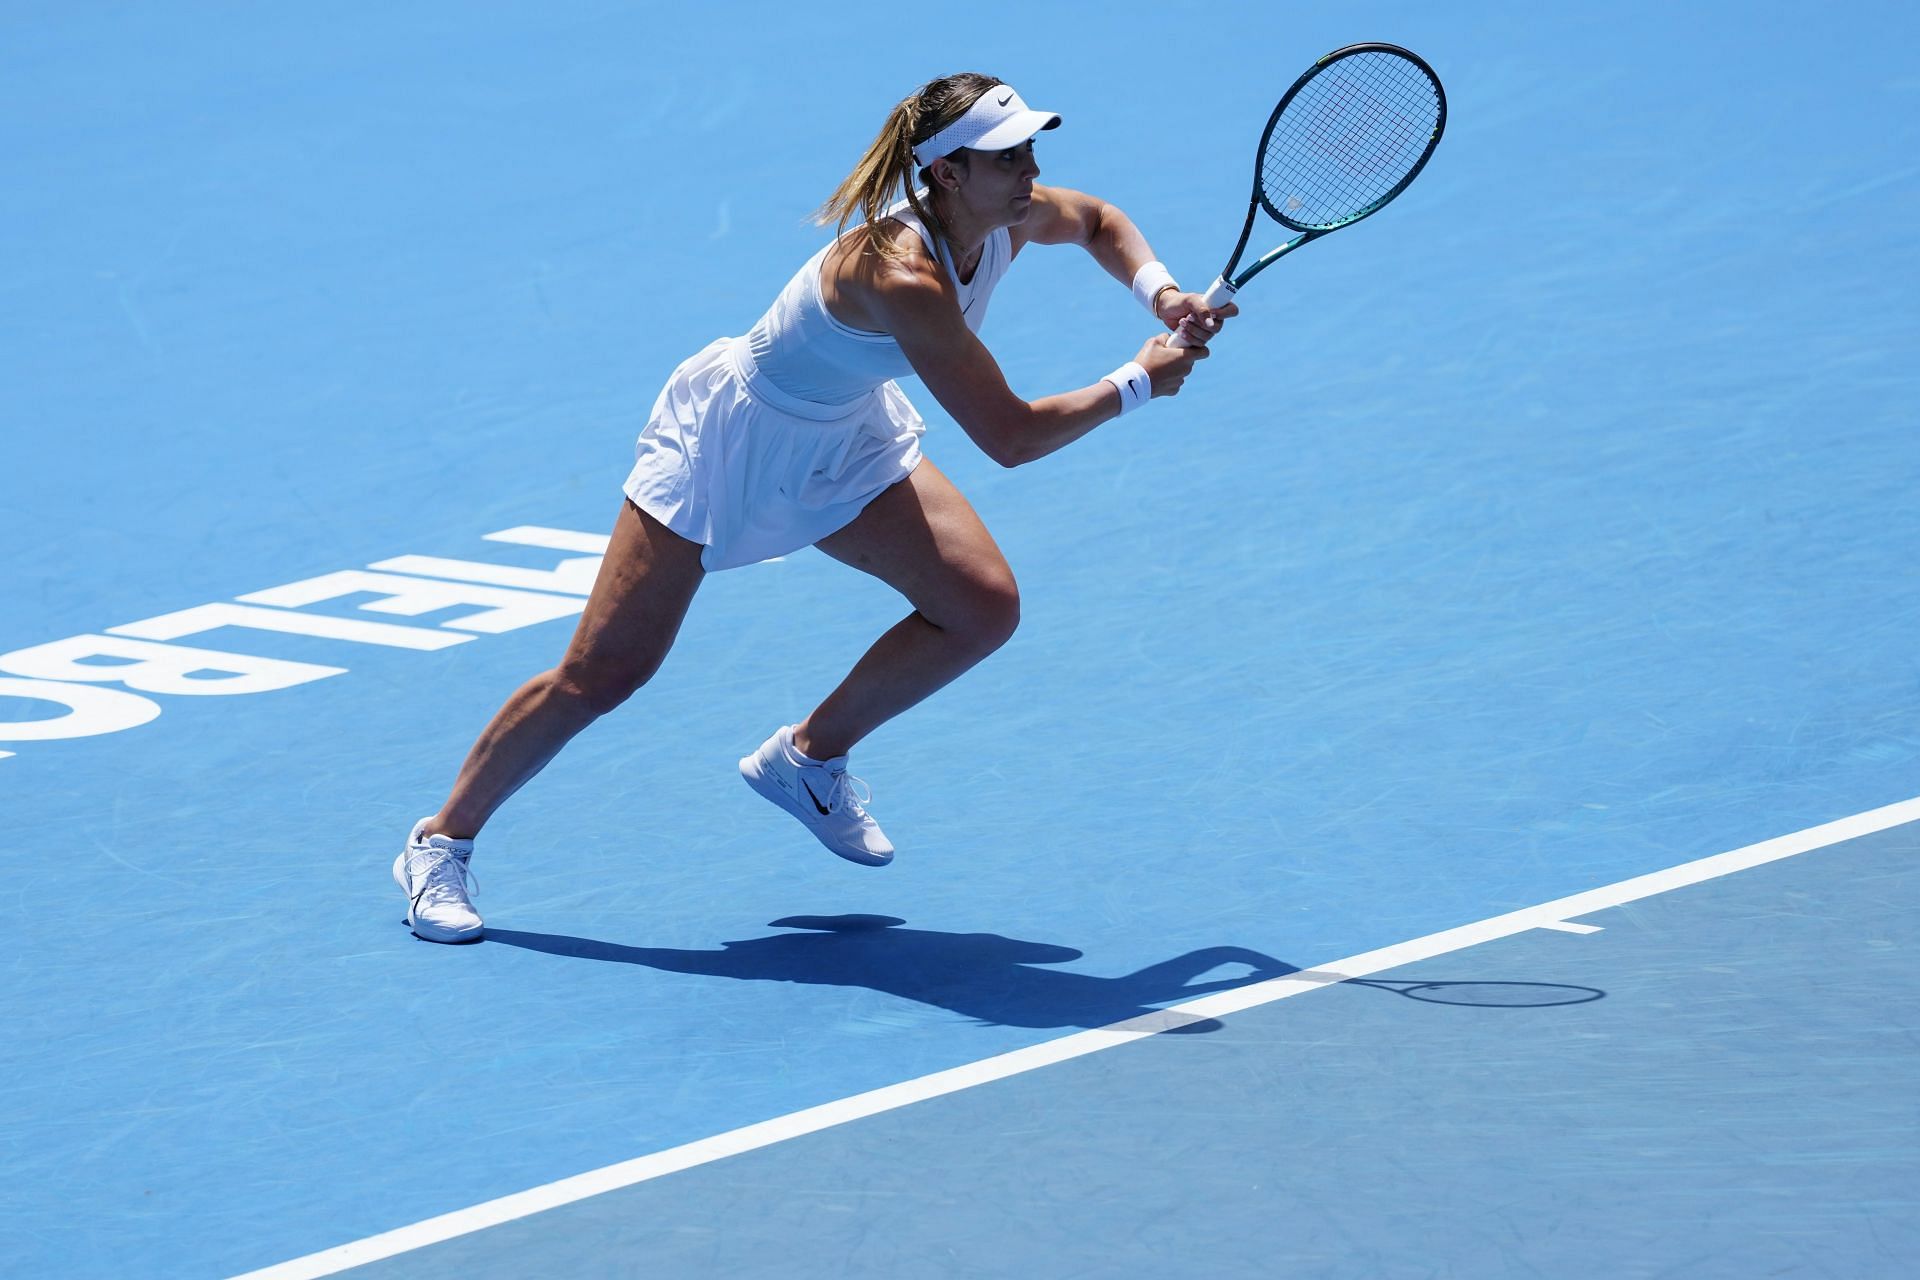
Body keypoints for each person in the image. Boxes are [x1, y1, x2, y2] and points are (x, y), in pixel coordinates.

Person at [394, 72, 1233, 943]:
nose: (1028, 171)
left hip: (842, 433)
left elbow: (1096, 221)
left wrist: (1161, 294)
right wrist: (1138, 383)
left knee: (980, 607)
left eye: (1028, 150)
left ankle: (808, 758)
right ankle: (440, 842)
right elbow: (1010, 437)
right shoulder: (901, 274)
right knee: (604, 674)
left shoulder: (1005, 214)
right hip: (733, 442)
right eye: (1005, 155)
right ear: (947, 173)